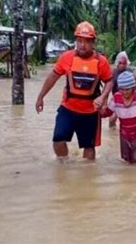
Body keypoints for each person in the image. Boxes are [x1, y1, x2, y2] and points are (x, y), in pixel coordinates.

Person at [35, 21, 113, 160]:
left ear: (92, 42)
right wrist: (41, 97)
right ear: (76, 41)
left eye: (87, 41)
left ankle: (87, 176)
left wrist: (103, 97)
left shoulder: (101, 61)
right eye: (80, 40)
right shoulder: (66, 57)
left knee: (89, 148)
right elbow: (53, 76)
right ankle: (64, 165)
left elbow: (109, 80)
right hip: (68, 108)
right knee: (58, 140)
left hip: (90, 112)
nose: (83, 45)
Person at [109, 51, 136, 128]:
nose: (122, 65)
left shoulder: (129, 70)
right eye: (120, 63)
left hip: (130, 98)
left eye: (124, 63)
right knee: (112, 120)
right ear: (117, 63)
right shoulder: (113, 73)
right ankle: (112, 132)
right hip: (118, 100)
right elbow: (108, 86)